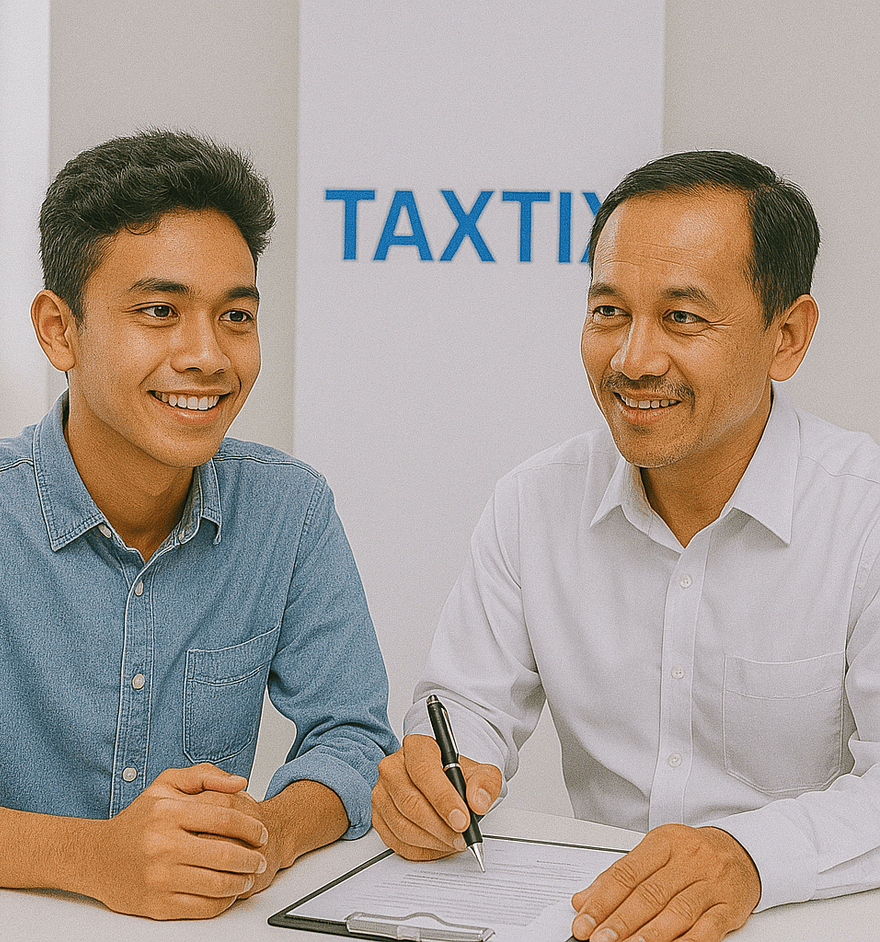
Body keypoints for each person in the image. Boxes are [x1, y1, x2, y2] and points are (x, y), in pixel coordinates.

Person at [373, 150, 880, 942]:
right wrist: (437, 780)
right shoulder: (534, 502)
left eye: (683, 318)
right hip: (595, 923)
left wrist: (748, 857)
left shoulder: (865, 514)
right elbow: (465, 708)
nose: (632, 360)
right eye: (609, 311)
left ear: (787, 336)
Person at [0, 129, 398, 920]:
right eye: (159, 311)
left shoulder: (290, 510)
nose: (207, 355)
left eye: (235, 315)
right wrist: (95, 856)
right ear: (59, 330)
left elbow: (352, 735)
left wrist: (268, 834)